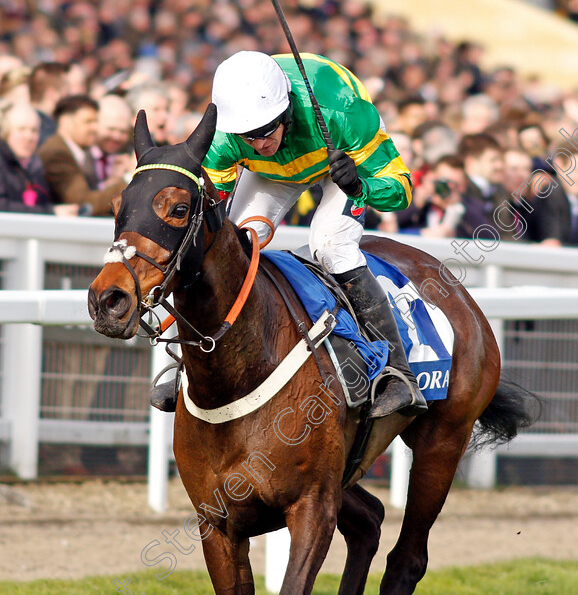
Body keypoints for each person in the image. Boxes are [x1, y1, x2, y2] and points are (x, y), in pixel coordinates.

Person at [153, 50, 427, 418]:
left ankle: (398, 373)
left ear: (287, 112)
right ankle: (187, 363)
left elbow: (401, 191)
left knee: (331, 247)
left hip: (339, 164)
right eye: (249, 137)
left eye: (267, 131)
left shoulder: (342, 109)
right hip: (268, 174)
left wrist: (360, 184)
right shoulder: (225, 136)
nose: (261, 143)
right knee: (226, 248)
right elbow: (211, 210)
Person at [39, 95, 123, 216]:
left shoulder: (77, 151)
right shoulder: (57, 154)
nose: (95, 127)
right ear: (66, 122)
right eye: (88, 122)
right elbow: (83, 205)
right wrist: (128, 179)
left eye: (96, 121)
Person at [0, 102, 77, 215]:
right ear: (5, 132)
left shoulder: (36, 165)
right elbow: (2, 206)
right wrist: (51, 212)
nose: (29, 137)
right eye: (21, 129)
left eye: (34, 130)